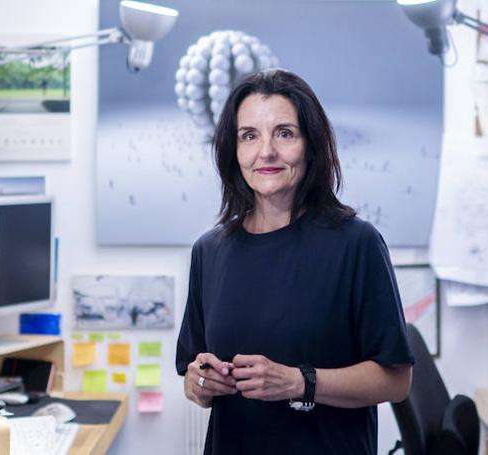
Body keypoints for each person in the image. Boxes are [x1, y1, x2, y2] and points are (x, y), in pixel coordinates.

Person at [175, 69, 414, 454]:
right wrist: (202, 384)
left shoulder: (357, 244)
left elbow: (396, 379)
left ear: (311, 145)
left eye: (284, 133)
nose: (265, 151)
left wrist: (299, 382)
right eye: (249, 136)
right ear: (233, 151)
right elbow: (192, 378)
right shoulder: (210, 251)